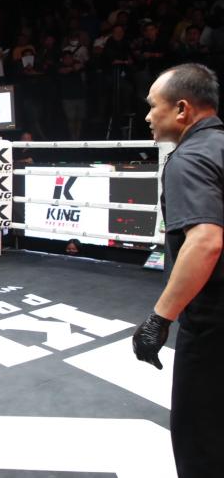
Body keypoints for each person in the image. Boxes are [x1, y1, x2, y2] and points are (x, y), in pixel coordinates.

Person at [132, 63, 224, 478]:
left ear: (182, 109)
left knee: (199, 440)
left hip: (213, 324)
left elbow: (205, 240)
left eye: (154, 106)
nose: (148, 116)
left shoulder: (189, 158)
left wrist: (159, 318)